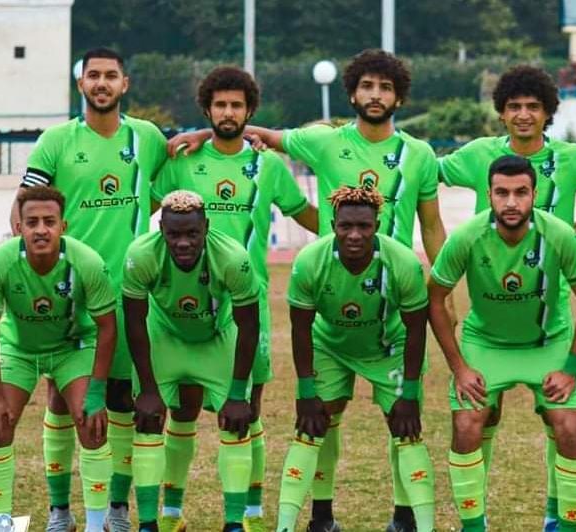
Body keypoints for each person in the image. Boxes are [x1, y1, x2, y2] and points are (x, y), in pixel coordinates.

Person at [171, 48, 446, 532]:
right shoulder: (324, 142)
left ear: (399, 97)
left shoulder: (419, 155)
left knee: (403, 417)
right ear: (352, 94)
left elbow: (432, 226)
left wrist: (441, 291)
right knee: (323, 414)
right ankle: (321, 517)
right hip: (332, 300)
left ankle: (405, 517)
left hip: (393, 304)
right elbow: (257, 134)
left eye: (385, 88)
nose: (375, 95)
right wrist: (199, 135)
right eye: (367, 86)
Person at [437, 64, 576, 531]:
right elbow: (424, 170)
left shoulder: (569, 179)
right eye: (514, 106)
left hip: (547, 336)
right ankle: (474, 525)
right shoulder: (476, 168)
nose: (524, 114)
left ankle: (561, 522)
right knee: (470, 422)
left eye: (534, 106)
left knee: (566, 424)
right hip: (487, 338)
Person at [152, 65, 318, 532]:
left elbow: (305, 214)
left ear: (250, 111)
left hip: (248, 304)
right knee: (183, 409)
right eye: (220, 105)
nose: (229, 113)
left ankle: (250, 514)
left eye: (237, 105)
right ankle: (171, 514)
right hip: (185, 303)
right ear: (207, 110)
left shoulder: (269, 166)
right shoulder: (183, 162)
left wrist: (355, 229)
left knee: (248, 410)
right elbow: (144, 206)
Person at [12, 47, 168, 531]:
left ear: (125, 83)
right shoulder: (56, 140)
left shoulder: (147, 138)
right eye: (93, 75)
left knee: (120, 400)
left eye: (110, 75)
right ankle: (60, 510)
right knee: (61, 400)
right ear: (80, 84)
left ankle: (116, 509)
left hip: (127, 294)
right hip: (68, 294)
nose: (102, 83)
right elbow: (23, 207)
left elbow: (166, 185)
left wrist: (200, 137)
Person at [275, 186, 435, 532]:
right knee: (314, 424)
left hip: (388, 346)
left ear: (377, 225)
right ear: (333, 224)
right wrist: (306, 391)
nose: (354, 235)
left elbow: (416, 329)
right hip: (330, 345)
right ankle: (314, 520)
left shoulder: (402, 262)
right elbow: (300, 329)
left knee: (405, 428)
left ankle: (409, 521)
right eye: (346, 226)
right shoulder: (310, 261)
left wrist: (409, 393)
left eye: (363, 226)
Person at [0, 186, 117, 532]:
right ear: (19, 227)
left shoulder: (86, 262)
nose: (41, 229)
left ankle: (95, 525)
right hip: (19, 349)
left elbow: (107, 327)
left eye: (49, 222)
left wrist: (97, 391)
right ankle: (2, 524)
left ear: (63, 226)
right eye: (32, 222)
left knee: (92, 424)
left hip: (71, 347)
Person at [123, 191, 260, 532]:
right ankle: (150, 523)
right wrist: (148, 389)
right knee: (148, 421)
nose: (183, 243)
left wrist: (238, 393)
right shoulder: (141, 255)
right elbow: (134, 322)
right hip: (165, 337)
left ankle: (234, 524)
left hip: (217, 339)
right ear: (161, 229)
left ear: (206, 227)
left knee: (236, 423)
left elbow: (248, 326)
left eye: (192, 233)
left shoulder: (232, 257)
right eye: (174, 234)